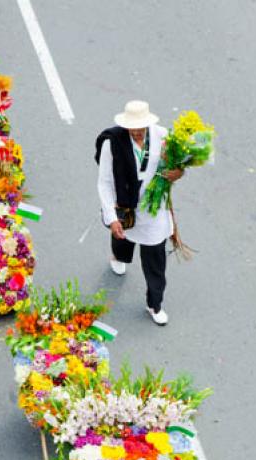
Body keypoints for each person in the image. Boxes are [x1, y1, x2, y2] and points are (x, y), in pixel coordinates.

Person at [95, 100, 183, 326]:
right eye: (131, 128)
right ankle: (118, 256)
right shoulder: (112, 142)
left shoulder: (163, 136)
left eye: (139, 128)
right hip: (125, 204)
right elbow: (104, 182)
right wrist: (112, 217)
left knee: (155, 257)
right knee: (122, 237)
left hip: (153, 207)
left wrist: (178, 172)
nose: (135, 132)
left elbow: (177, 166)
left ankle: (154, 303)